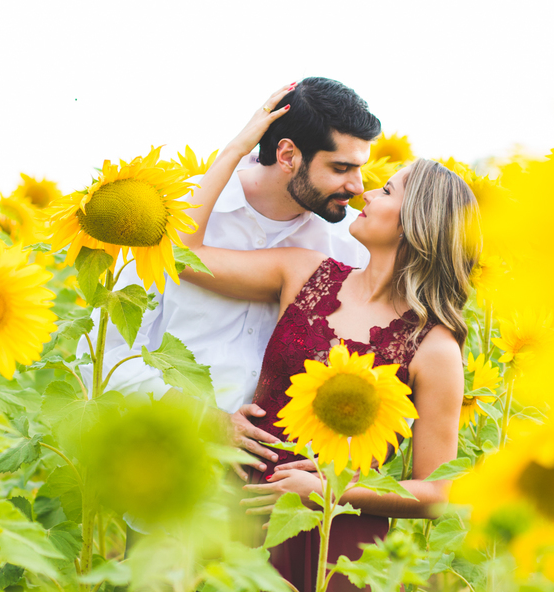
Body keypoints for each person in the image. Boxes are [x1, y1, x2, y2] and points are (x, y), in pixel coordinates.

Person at [179, 86, 476, 592]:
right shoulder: (305, 272)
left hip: (337, 541)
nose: (365, 194)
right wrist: (238, 148)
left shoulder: (434, 348)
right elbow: (185, 253)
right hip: (237, 515)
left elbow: (439, 491)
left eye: (386, 192)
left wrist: (325, 491)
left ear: (416, 224)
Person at [82, 77, 382, 474]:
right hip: (166, 469)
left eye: (359, 168)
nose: (357, 186)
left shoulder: (347, 247)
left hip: (279, 487)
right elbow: (103, 356)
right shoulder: (169, 216)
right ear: (288, 154)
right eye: (340, 168)